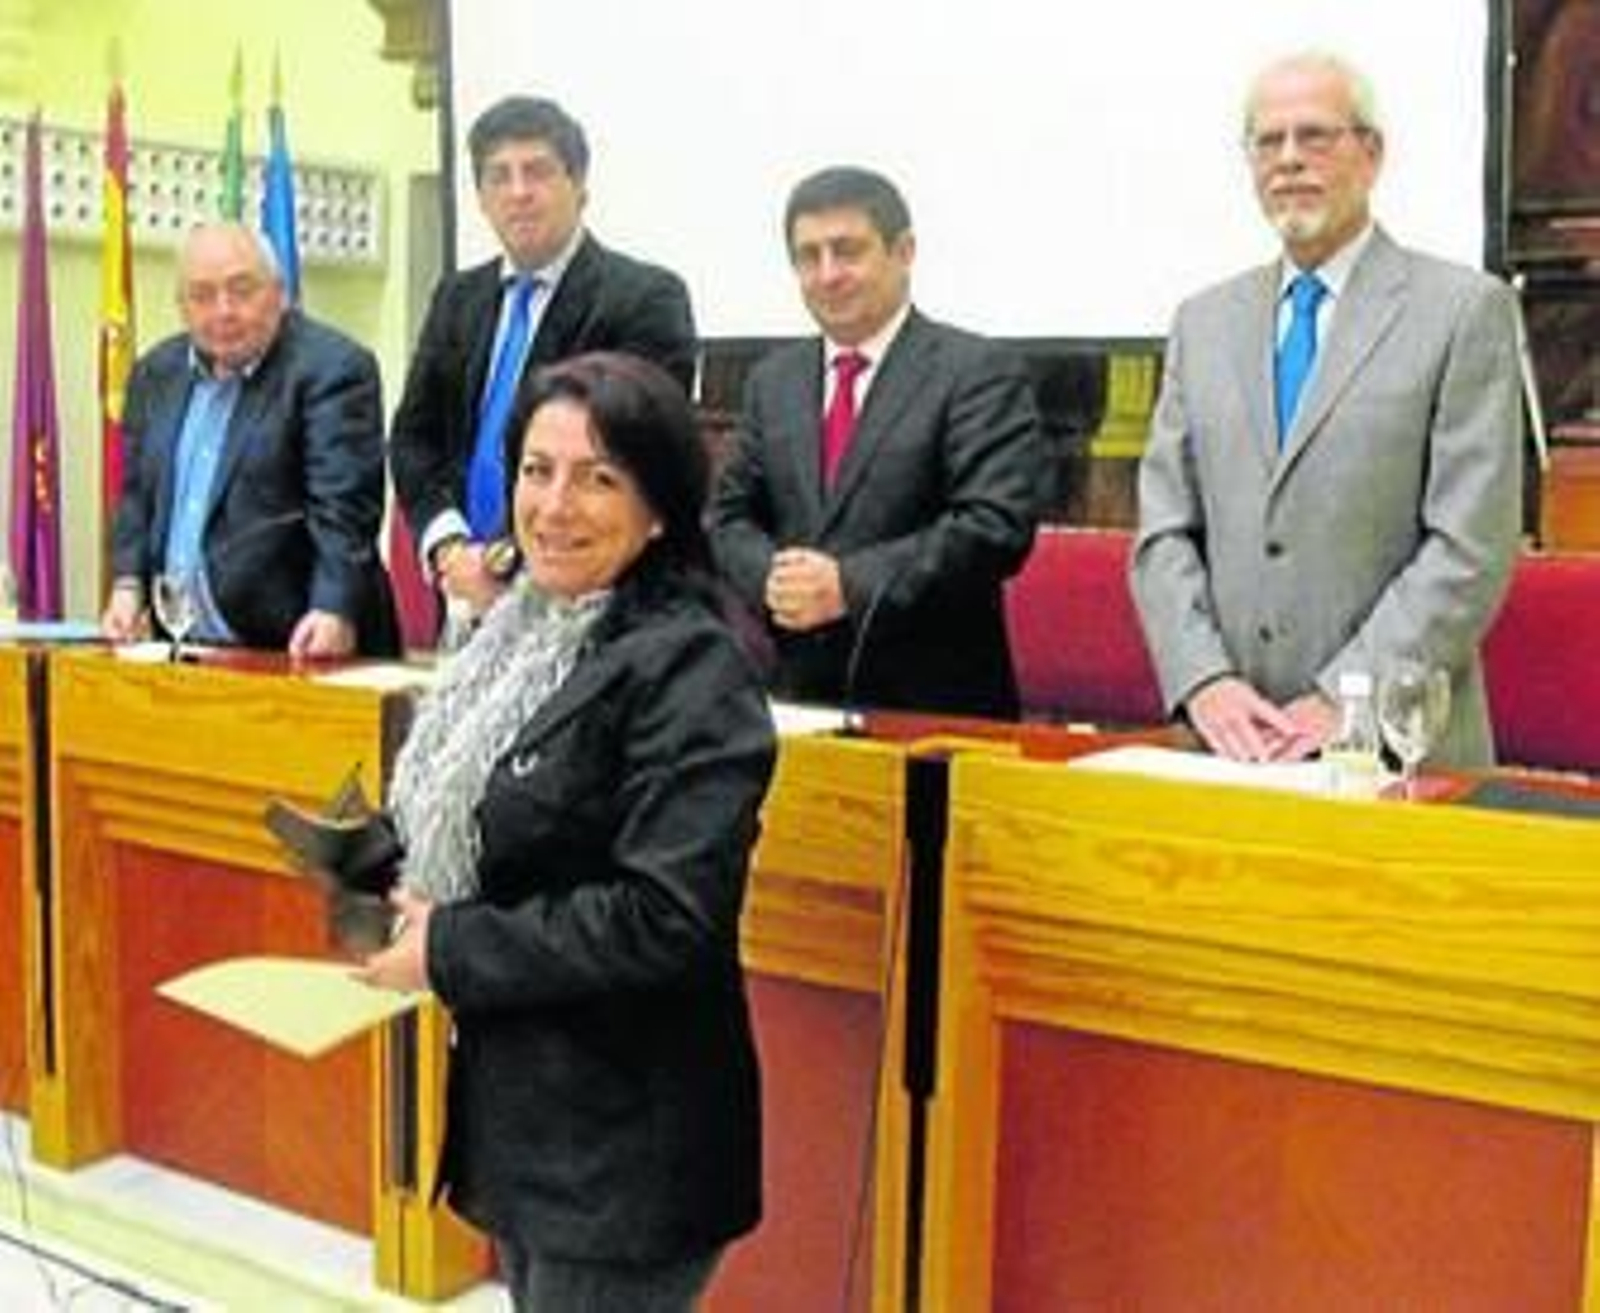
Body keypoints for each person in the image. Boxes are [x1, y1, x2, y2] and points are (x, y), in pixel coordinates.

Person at [358, 353, 776, 1312]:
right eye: (537, 470)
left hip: (624, 1147)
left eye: (598, 479)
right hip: (527, 1122)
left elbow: (664, 916)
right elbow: (495, 819)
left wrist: (448, 947)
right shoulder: (519, 632)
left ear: (659, 507)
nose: (554, 506)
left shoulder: (692, 667)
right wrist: (371, 859)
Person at [1131, 51, 1523, 767]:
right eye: (1267, 141)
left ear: (1371, 155)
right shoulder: (1203, 322)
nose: (1288, 159)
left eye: (1313, 135)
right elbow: (1164, 531)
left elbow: (1470, 545)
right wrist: (1205, 682)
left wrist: (1345, 698)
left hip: (1397, 751)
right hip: (1227, 744)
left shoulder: (1463, 311)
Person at [709, 165, 1044, 718]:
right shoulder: (773, 381)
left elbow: (995, 525)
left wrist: (849, 586)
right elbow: (726, 517)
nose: (828, 274)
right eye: (808, 256)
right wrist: (775, 580)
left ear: (903, 251)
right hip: (797, 701)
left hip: (936, 710)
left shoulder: (976, 371)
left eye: (847, 251)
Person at [388, 94, 697, 636]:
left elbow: (636, 460)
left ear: (580, 186)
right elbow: (414, 438)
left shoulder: (644, 298)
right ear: (481, 198)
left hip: (589, 608)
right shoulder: (457, 298)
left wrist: (502, 564)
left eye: (537, 172)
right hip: (462, 596)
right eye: (499, 176)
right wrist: (448, 546)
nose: (518, 193)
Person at [102, 221, 398, 657]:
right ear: (182, 306)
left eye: (241, 290)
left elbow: (344, 510)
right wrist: (128, 585)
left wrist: (334, 609)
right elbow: (136, 496)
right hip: (185, 648)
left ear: (279, 292)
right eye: (202, 295)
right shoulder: (154, 374)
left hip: (297, 645)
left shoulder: (332, 369)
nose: (223, 310)